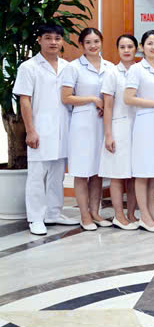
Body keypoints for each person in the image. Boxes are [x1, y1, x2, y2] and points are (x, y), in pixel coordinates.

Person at [13, 24, 78, 235]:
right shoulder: (28, 67)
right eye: (48, 38)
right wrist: (30, 130)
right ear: (39, 40)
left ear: (62, 42)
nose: (53, 42)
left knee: (57, 174)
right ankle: (36, 218)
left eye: (57, 38)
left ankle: (53, 213)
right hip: (40, 128)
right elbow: (24, 101)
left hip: (63, 128)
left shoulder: (68, 66)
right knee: (37, 175)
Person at [60, 28, 112, 230]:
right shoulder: (73, 68)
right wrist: (92, 99)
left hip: (102, 123)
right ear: (81, 45)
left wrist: (105, 107)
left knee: (98, 172)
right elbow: (66, 97)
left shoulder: (110, 67)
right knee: (82, 172)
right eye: (88, 42)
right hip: (82, 125)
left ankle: (95, 212)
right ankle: (85, 216)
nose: (93, 46)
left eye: (96, 41)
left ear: (101, 42)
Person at [124, 30, 154, 232]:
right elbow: (128, 98)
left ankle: (153, 214)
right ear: (142, 47)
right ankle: (144, 215)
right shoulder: (136, 70)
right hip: (144, 123)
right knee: (144, 172)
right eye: (150, 43)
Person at [99, 34, 140, 230]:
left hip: (139, 127)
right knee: (117, 174)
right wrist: (108, 134)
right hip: (119, 127)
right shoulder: (112, 73)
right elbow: (107, 106)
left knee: (134, 175)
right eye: (122, 47)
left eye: (130, 46)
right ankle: (118, 215)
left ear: (136, 49)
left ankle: (132, 214)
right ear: (117, 50)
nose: (126, 50)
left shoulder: (141, 71)